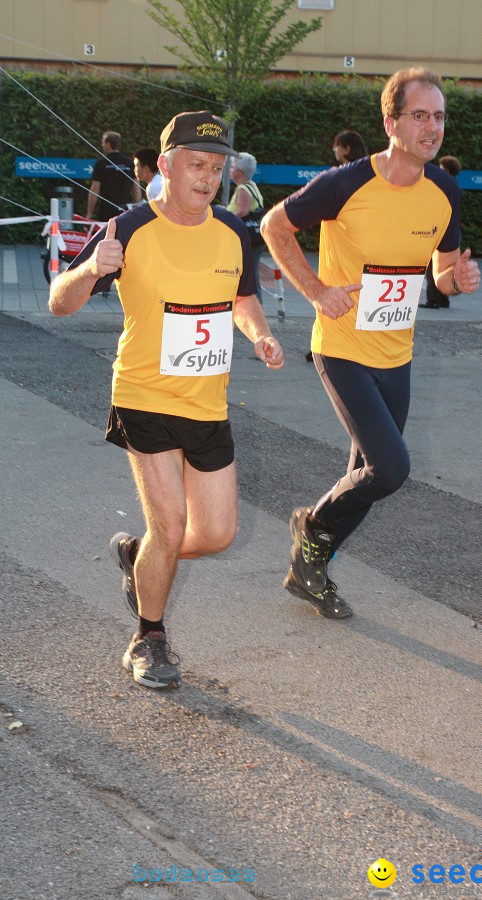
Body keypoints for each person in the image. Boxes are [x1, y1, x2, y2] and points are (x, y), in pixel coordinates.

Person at [49, 110, 284, 689]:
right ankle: (147, 639)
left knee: (217, 534)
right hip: (144, 395)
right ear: (167, 166)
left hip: (207, 404)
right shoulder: (129, 228)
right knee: (172, 525)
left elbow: (243, 300)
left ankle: (139, 558)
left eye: (217, 167)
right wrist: (88, 273)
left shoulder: (234, 232)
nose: (208, 177)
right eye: (197, 165)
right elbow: (59, 302)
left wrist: (261, 335)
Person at [261, 67, 480, 620]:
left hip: (396, 356)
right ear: (391, 121)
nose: (432, 128)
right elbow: (273, 226)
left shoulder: (444, 191)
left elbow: (443, 273)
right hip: (341, 348)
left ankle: (310, 568)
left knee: (367, 474)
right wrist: (316, 291)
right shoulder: (348, 182)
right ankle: (311, 526)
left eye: (439, 117)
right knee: (391, 468)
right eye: (420, 115)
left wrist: (460, 281)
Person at [305, 131, 369, 362]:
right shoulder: (373, 175)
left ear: (345, 148)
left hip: (342, 252)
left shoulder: (339, 179)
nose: (334, 151)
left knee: (332, 296)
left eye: (336, 147)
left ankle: (325, 347)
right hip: (365, 252)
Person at [420, 154, 462, 309]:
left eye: (442, 167)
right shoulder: (454, 185)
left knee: (432, 268)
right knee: (445, 267)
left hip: (436, 232)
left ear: (448, 170)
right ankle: (444, 299)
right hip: (449, 231)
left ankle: (432, 300)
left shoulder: (443, 187)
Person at [227, 152, 265, 304]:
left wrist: (226, 217)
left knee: (248, 276)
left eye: (232, 167)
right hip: (256, 238)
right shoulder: (252, 186)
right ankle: (256, 307)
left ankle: (255, 309)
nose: (230, 170)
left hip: (247, 239)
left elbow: (243, 211)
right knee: (252, 274)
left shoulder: (242, 188)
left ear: (240, 172)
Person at [86, 131, 141, 220]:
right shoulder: (130, 163)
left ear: (108, 144)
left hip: (106, 210)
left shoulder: (101, 163)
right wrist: (138, 210)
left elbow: (94, 190)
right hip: (126, 210)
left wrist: (89, 213)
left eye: (103, 142)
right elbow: (137, 189)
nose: (102, 145)